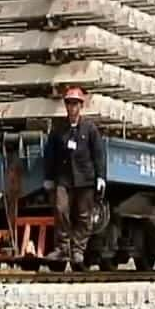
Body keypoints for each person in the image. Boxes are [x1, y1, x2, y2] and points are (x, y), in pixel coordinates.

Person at [42, 87, 107, 266]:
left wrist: (101, 177)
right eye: (69, 104)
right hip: (64, 178)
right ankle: (62, 248)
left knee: (84, 216)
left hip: (85, 179)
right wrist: (48, 177)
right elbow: (50, 154)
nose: (72, 108)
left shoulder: (90, 129)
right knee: (61, 209)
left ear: (81, 106)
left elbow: (98, 153)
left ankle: (78, 249)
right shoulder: (58, 130)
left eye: (75, 104)